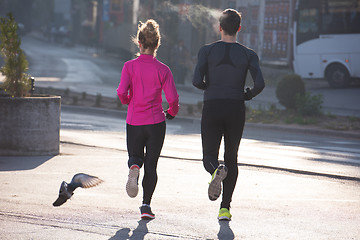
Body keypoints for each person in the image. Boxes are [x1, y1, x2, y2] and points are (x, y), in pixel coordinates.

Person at [193, 9, 265, 221]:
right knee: (231, 158)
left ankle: (216, 171)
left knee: (209, 157)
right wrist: (247, 95)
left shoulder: (206, 51)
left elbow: (196, 81)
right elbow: (260, 83)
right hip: (236, 107)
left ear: (220, 27)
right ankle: (225, 209)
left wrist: (209, 87)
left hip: (212, 106)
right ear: (239, 29)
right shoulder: (249, 54)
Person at [117, 19, 179, 220]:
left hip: (134, 121)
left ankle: (134, 166)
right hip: (155, 123)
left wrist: (128, 101)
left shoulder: (129, 66)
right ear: (157, 44)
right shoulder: (164, 70)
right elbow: (173, 99)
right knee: (151, 165)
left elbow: (121, 91)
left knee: (136, 157)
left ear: (139, 43)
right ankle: (145, 206)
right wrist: (172, 112)